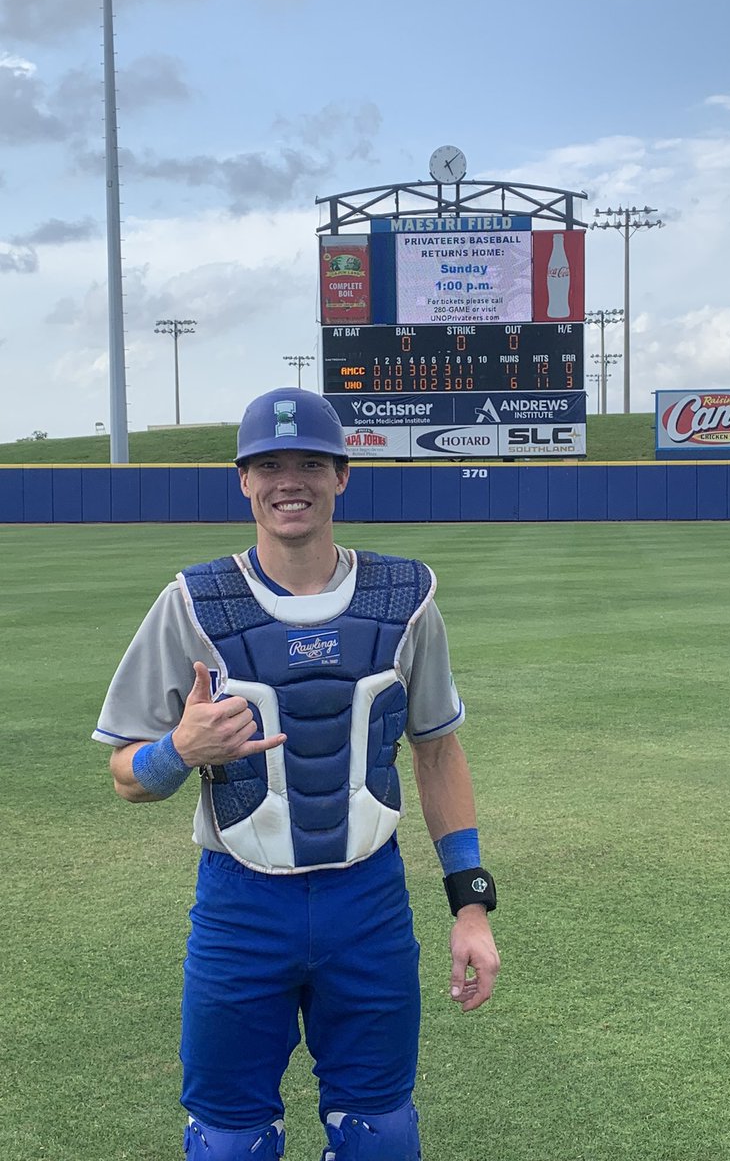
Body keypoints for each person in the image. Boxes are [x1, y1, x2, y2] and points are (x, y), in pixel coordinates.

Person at [92, 387, 500, 1161]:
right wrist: (179, 751)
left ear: (342, 476)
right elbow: (125, 773)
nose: (291, 480)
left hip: (368, 902)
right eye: (269, 464)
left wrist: (470, 906)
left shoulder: (407, 600)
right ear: (243, 480)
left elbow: (439, 748)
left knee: (381, 1134)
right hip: (241, 906)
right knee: (227, 1141)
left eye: (311, 462)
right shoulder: (192, 603)